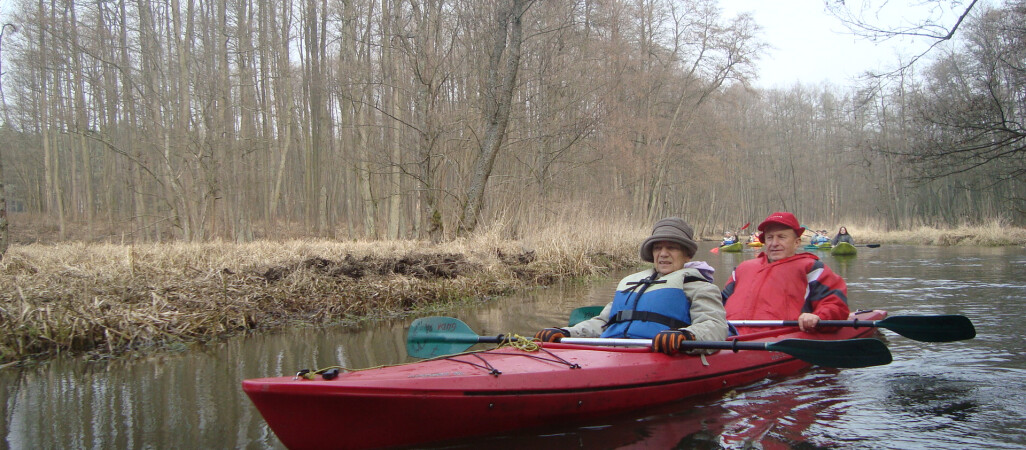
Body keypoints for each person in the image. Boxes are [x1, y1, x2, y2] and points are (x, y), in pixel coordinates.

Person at [535, 217, 728, 355]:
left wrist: (686, 335)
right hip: (610, 355)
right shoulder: (633, 285)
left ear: (687, 255)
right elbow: (603, 322)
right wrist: (567, 332)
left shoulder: (700, 287)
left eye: (672, 248)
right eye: (658, 248)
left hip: (659, 357)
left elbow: (716, 327)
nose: (663, 254)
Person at [721, 212, 850, 334]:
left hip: (778, 338)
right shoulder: (742, 268)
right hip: (729, 335)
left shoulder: (812, 268)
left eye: (781, 237)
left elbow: (836, 305)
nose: (774, 243)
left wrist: (818, 316)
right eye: (770, 238)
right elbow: (718, 304)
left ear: (797, 242)